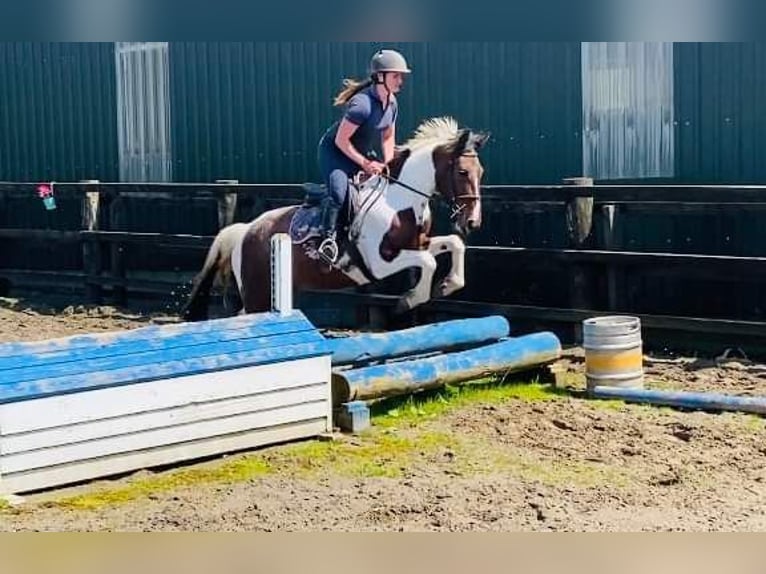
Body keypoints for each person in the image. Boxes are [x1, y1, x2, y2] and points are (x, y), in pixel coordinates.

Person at [315, 48, 411, 263]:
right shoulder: (362, 105)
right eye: (395, 75)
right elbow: (341, 141)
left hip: (359, 151)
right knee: (339, 194)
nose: (400, 80)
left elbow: (387, 137)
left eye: (401, 75)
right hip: (336, 153)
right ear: (380, 77)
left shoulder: (392, 103)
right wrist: (366, 164)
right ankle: (327, 240)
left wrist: (387, 165)